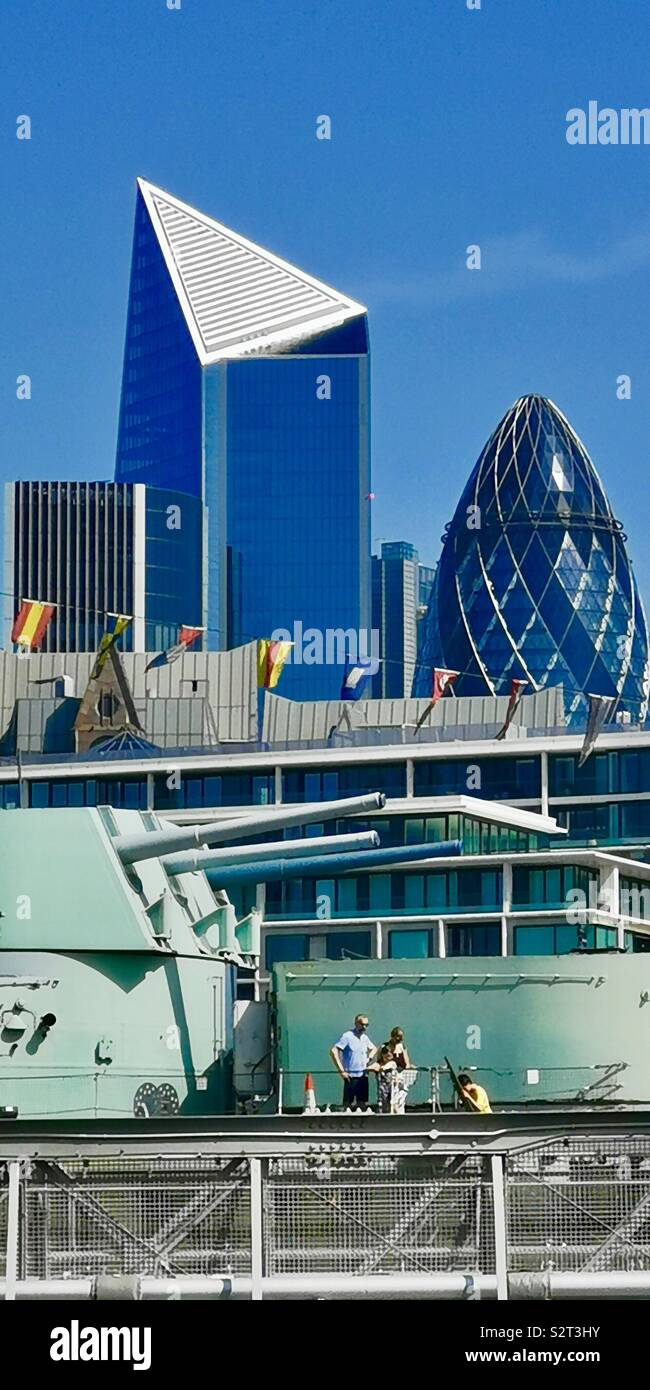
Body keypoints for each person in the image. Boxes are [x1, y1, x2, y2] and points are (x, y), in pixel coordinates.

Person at [330, 1014, 376, 1108]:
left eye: (366, 1025)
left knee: (362, 1104)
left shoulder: (364, 1037)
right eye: (362, 1024)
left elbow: (374, 1049)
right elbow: (333, 1051)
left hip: (363, 1075)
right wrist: (341, 1071)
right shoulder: (347, 1036)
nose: (364, 1027)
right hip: (351, 1076)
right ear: (356, 1023)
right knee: (348, 1105)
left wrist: (369, 1059)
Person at [372, 1027, 412, 1114]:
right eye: (398, 1037)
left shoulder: (402, 1047)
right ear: (392, 1036)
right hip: (386, 1078)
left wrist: (406, 1071)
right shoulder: (384, 1047)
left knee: (399, 1101)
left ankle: (399, 1116)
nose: (400, 1039)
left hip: (399, 1078)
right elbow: (379, 1061)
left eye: (401, 1037)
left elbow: (407, 1062)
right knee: (385, 1100)